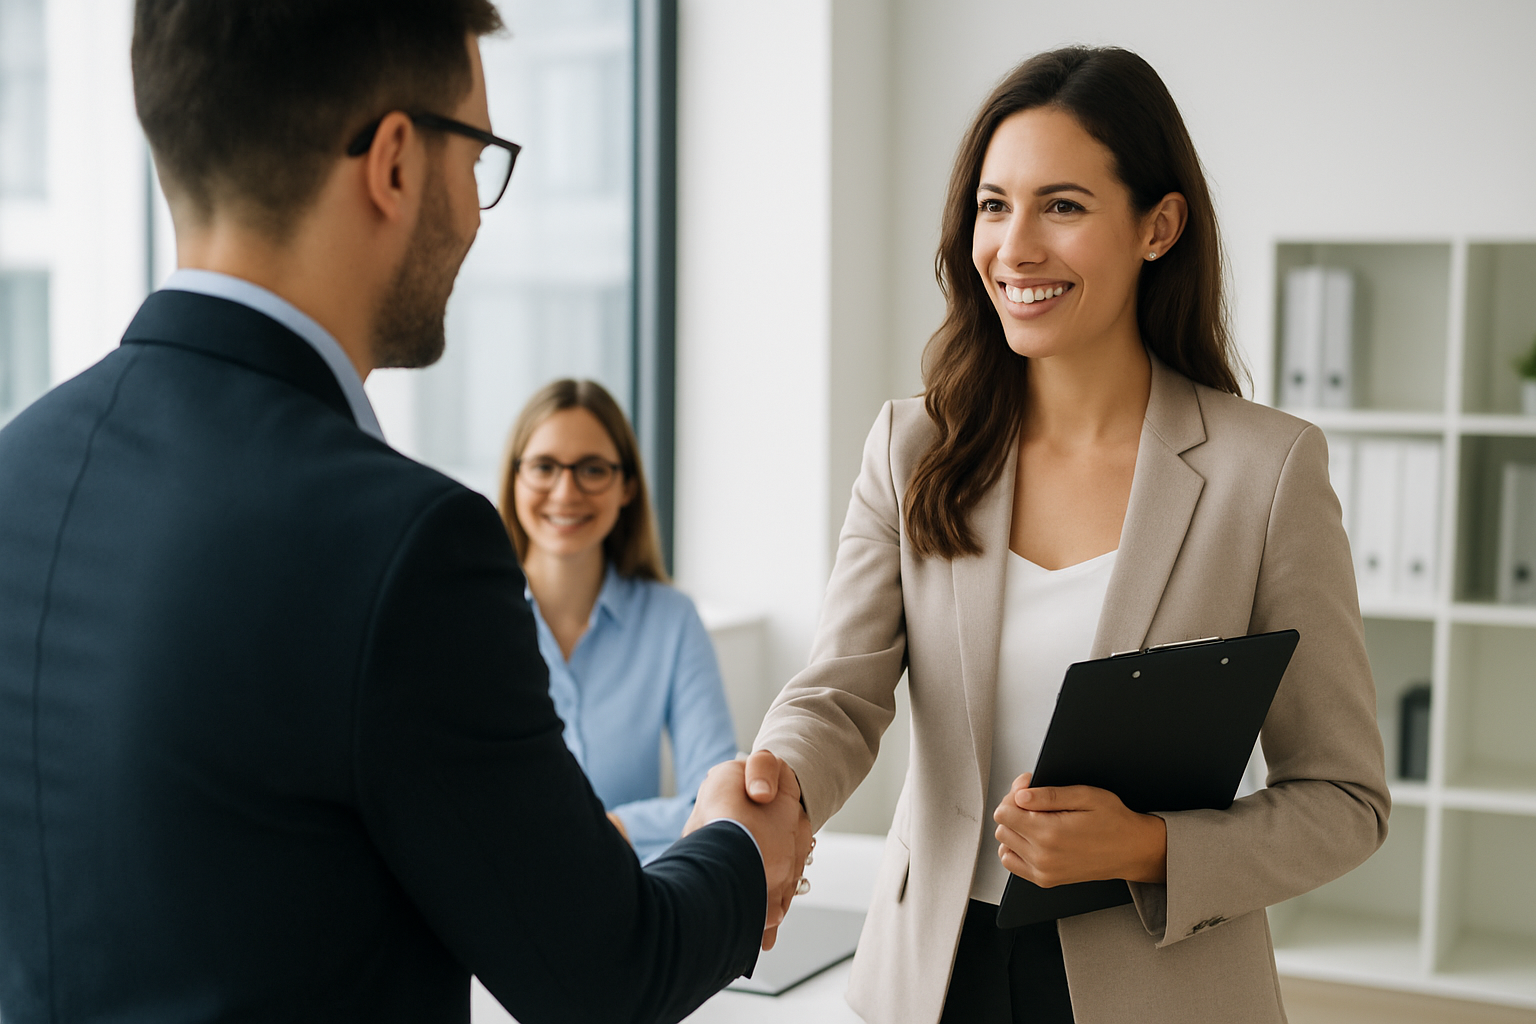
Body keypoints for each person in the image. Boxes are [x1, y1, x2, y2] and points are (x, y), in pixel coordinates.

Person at [0, 3, 810, 1023]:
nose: (476, 211)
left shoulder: (16, 469)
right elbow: (606, 972)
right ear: (392, 162)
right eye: (477, 158)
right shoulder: (404, 545)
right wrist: (741, 848)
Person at [743, 46, 1389, 1024]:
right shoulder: (913, 447)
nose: (1015, 248)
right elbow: (839, 694)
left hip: (1162, 986)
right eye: (994, 205)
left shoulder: (1266, 472)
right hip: (935, 976)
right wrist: (774, 784)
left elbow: (1345, 798)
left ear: (1158, 227)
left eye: (1063, 206)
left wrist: (1149, 847)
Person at [499, 379, 739, 863]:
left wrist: (606, 829)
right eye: (544, 467)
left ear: (626, 485)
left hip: (627, 888)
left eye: (592, 469)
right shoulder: (476, 618)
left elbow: (716, 795)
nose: (565, 491)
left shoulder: (672, 621)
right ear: (515, 478)